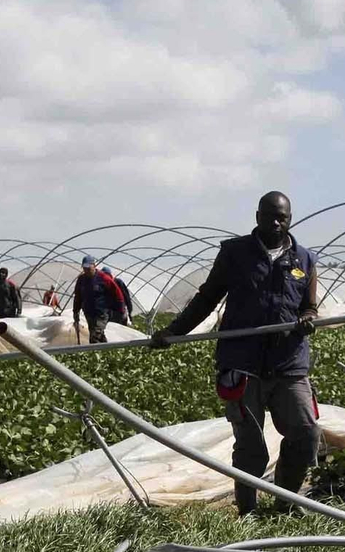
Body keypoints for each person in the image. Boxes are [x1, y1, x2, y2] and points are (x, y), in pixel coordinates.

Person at [152, 190, 320, 515]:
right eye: (269, 215)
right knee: (251, 445)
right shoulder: (236, 253)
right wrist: (174, 331)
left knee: (306, 433)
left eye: (281, 217)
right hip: (243, 362)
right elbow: (207, 297)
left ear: (290, 219)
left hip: (289, 362)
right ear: (257, 216)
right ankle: (247, 511)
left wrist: (308, 318)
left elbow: (309, 306)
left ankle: (286, 503)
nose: (275, 222)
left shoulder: (304, 259)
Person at [72, 255, 126, 344]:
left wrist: (121, 310)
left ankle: (94, 354)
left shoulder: (104, 278)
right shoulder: (81, 279)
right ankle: (108, 351)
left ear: (94, 265)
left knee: (94, 337)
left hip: (101, 313)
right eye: (84, 268)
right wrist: (75, 311)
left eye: (88, 268)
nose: (86, 270)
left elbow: (117, 294)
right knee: (99, 335)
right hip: (89, 313)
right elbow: (78, 297)